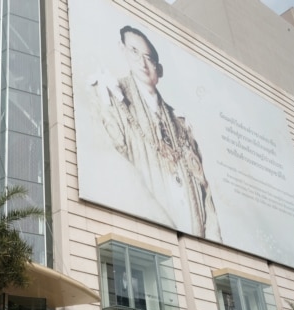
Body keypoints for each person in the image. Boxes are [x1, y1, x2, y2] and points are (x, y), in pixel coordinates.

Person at [91, 25, 222, 242]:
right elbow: (117, 170)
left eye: (148, 58)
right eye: (134, 51)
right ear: (122, 49)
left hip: (194, 243)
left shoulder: (181, 125)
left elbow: (205, 193)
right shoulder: (110, 97)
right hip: (145, 237)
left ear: (158, 69)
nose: (142, 63)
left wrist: (211, 248)